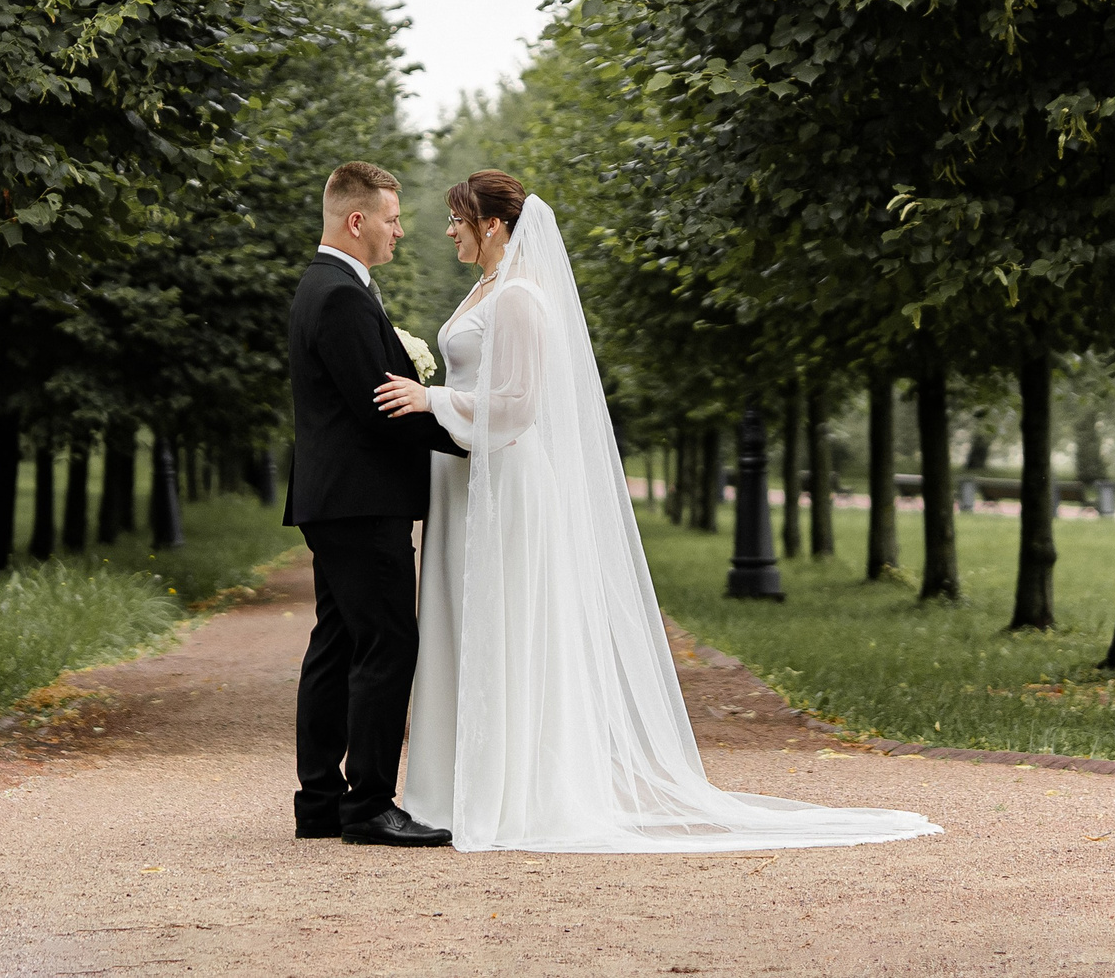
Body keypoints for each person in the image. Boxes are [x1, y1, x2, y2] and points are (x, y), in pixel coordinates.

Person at [378, 170, 941, 854]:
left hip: (507, 484)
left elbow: (519, 406)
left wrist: (432, 400)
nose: (449, 230)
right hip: (465, 480)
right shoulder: (484, 289)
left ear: (492, 223)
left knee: (505, 625)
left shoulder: (522, 297)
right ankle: (450, 787)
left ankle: (511, 792)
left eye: (458, 218)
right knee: (462, 624)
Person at [285, 160, 466, 847]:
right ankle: (367, 805)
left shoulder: (324, 285)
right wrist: (472, 433)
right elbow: (380, 408)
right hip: (362, 501)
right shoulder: (340, 295)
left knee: (336, 642)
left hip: (334, 498)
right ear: (356, 220)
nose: (398, 232)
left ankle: (321, 801)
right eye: (391, 219)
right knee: (387, 642)